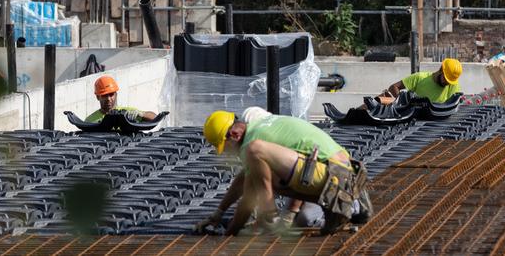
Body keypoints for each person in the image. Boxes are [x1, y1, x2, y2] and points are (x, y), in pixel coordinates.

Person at [194, 109, 372, 235]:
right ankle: (348, 205)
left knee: (256, 153)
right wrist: (218, 213)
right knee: (302, 217)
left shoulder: (252, 143)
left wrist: (230, 232)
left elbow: (248, 199)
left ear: (233, 135)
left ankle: (347, 205)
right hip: (342, 172)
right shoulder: (260, 126)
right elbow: (243, 180)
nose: (226, 153)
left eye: (224, 148)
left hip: (335, 176)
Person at [377, 58, 462, 104]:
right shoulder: (420, 78)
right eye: (446, 79)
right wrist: (404, 102)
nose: (447, 83)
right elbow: (394, 87)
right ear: (441, 70)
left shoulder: (453, 85)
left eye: (450, 82)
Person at [86, 75, 157, 122]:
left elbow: (155, 118)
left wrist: (142, 114)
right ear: (98, 97)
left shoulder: (128, 113)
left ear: (116, 95)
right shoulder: (90, 120)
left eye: (111, 94)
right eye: (104, 95)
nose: (108, 99)